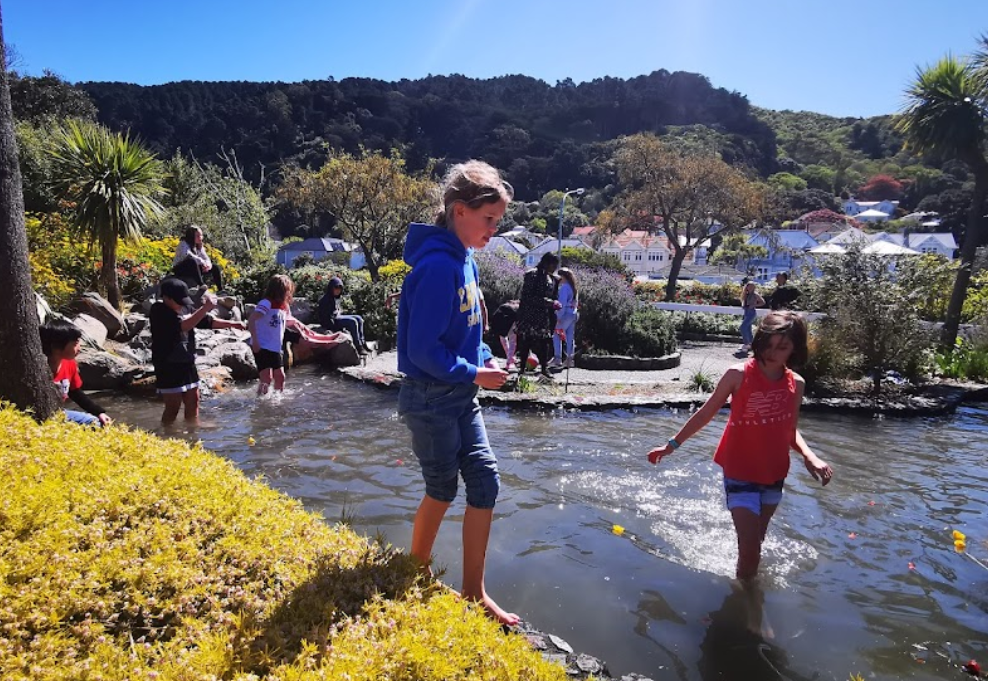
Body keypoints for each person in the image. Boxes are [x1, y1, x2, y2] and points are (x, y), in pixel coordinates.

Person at [397, 159, 519, 626]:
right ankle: (417, 569)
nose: (493, 230)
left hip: (459, 396)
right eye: (489, 220)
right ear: (459, 210)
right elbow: (422, 351)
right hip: (430, 398)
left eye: (497, 222)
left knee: (485, 481)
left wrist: (483, 355)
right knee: (442, 488)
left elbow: (465, 329)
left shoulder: (463, 258)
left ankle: (473, 592)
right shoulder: (435, 267)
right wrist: (474, 374)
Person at [646, 311, 833, 582]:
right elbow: (706, 413)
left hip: (774, 473)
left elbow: (789, 430)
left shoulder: (797, 384)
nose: (773, 352)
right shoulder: (738, 374)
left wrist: (810, 456)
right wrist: (671, 444)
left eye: (783, 347)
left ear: (794, 349)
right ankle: (747, 609)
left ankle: (745, 591)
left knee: (756, 540)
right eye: (769, 344)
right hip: (740, 470)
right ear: (760, 341)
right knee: (750, 549)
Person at [150, 277, 247, 423]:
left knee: (194, 401)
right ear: (166, 298)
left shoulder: (185, 307)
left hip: (187, 361)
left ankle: (192, 434)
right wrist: (205, 308)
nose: (182, 305)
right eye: (178, 301)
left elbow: (207, 322)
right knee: (173, 406)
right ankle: (166, 436)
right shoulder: (159, 310)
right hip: (168, 364)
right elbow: (183, 326)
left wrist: (233, 324)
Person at [250, 274, 343, 395]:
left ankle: (277, 399)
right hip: (262, 345)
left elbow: (290, 322)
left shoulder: (283, 306)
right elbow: (252, 319)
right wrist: (255, 341)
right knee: (266, 378)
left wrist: (301, 331)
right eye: (287, 290)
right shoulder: (266, 303)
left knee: (280, 376)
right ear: (279, 290)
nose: (289, 293)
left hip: (274, 346)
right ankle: (261, 401)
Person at [39, 319, 112, 427]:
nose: (80, 348)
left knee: (97, 424)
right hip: (37, 415)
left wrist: (98, 412)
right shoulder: (39, 367)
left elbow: (75, 393)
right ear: (56, 347)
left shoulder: (70, 364)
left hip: (58, 412)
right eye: (75, 344)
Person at [516, 252, 561, 379]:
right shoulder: (532, 274)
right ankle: (522, 369)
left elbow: (553, 296)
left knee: (544, 342)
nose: (554, 268)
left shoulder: (552, 279)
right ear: (546, 262)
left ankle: (544, 369)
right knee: (526, 341)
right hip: (529, 314)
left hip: (544, 316)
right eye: (553, 265)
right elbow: (527, 296)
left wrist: (555, 303)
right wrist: (548, 302)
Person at [317, 276, 369, 353]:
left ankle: (363, 342)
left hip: (337, 317)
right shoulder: (325, 300)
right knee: (353, 322)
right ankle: (358, 346)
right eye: (336, 288)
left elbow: (337, 311)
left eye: (339, 288)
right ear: (331, 288)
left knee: (359, 318)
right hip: (333, 321)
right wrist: (334, 328)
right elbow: (325, 317)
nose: (338, 290)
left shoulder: (335, 297)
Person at [172, 225, 224, 292]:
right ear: (191, 236)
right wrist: (201, 262)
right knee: (191, 260)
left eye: (201, 235)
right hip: (181, 269)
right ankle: (201, 285)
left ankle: (220, 290)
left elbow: (206, 257)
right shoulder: (183, 243)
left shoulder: (198, 245)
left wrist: (207, 265)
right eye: (198, 236)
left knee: (215, 267)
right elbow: (187, 255)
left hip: (193, 268)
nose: (200, 238)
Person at [549, 267, 579, 369]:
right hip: (573, 314)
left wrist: (558, 316)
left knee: (557, 335)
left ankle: (557, 358)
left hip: (565, 314)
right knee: (570, 337)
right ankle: (570, 360)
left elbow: (561, 304)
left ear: (563, 277)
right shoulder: (573, 288)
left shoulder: (564, 288)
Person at [489, 300, 520, 370]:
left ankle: (510, 358)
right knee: (512, 340)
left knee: (503, 338)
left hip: (499, 320)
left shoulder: (506, 305)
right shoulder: (518, 308)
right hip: (509, 320)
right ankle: (509, 361)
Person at [738, 281, 764, 354]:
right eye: (749, 286)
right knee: (748, 329)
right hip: (746, 312)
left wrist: (754, 305)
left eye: (752, 286)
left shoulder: (755, 294)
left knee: (743, 327)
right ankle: (752, 345)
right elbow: (744, 302)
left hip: (751, 313)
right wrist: (743, 306)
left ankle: (746, 344)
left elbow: (763, 302)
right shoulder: (745, 294)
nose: (750, 288)